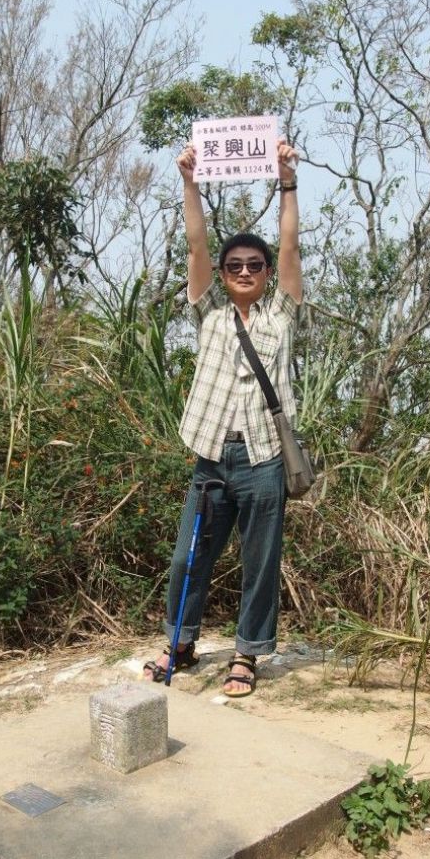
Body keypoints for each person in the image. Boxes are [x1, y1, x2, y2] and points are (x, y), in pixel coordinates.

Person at [144, 137, 303, 697]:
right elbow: (195, 248)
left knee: (261, 561)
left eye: (252, 265)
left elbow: (290, 247)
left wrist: (287, 180)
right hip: (212, 452)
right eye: (233, 264)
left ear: (263, 272)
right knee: (191, 553)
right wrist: (189, 181)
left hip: (263, 457)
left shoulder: (281, 314)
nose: (242, 270)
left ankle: (247, 655)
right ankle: (180, 644)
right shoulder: (210, 311)